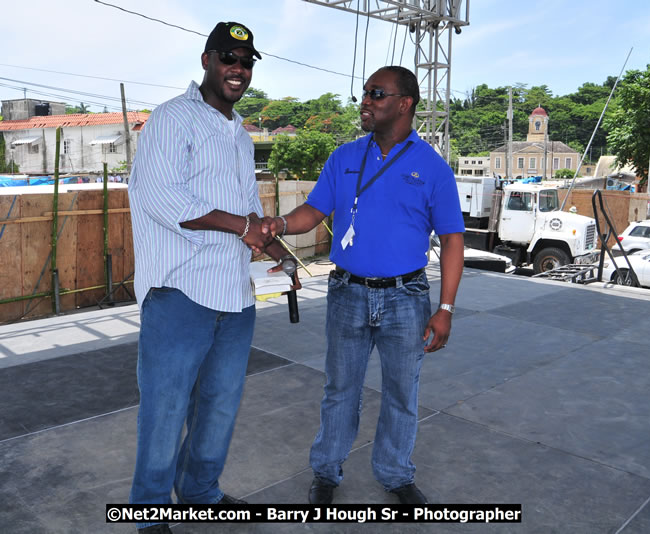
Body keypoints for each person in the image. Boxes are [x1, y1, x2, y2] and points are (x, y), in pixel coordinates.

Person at [261, 66, 465, 505]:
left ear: (405, 103)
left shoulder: (432, 167)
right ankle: (326, 472)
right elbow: (312, 212)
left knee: (401, 393)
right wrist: (278, 222)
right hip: (348, 293)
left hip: (407, 298)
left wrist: (445, 309)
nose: (366, 101)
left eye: (377, 93)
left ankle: (395, 474)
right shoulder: (344, 157)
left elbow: (452, 240)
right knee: (340, 390)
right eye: (365, 93)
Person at [127, 21, 287, 534]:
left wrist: (275, 251)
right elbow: (161, 197)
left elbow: (247, 209)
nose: (238, 69)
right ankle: (150, 512)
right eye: (228, 58)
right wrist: (243, 225)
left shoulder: (239, 132)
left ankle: (199, 492)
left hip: (235, 293)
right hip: (179, 290)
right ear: (206, 61)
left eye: (246, 62)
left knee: (219, 406)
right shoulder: (173, 120)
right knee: (166, 408)